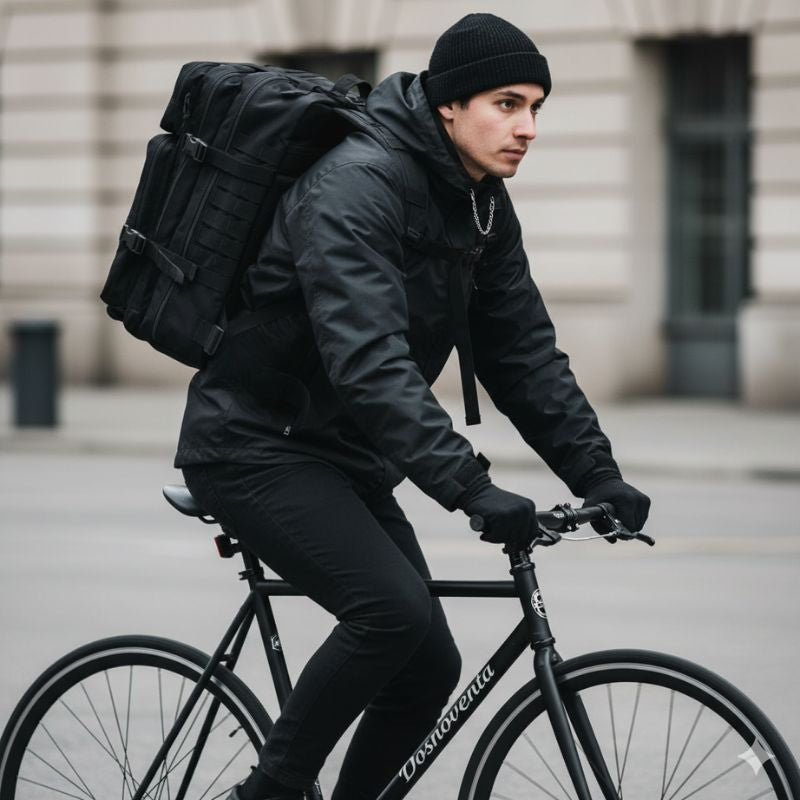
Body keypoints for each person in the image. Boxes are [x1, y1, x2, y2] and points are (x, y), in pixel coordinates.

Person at [175, 12, 650, 800]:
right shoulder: (354, 184)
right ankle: (269, 791)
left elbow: (523, 354)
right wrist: (470, 487)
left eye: (536, 106)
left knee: (429, 664)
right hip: (254, 444)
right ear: (449, 106)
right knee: (391, 615)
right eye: (508, 103)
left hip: (347, 455)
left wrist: (597, 473)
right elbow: (368, 363)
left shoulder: (481, 204)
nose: (528, 126)